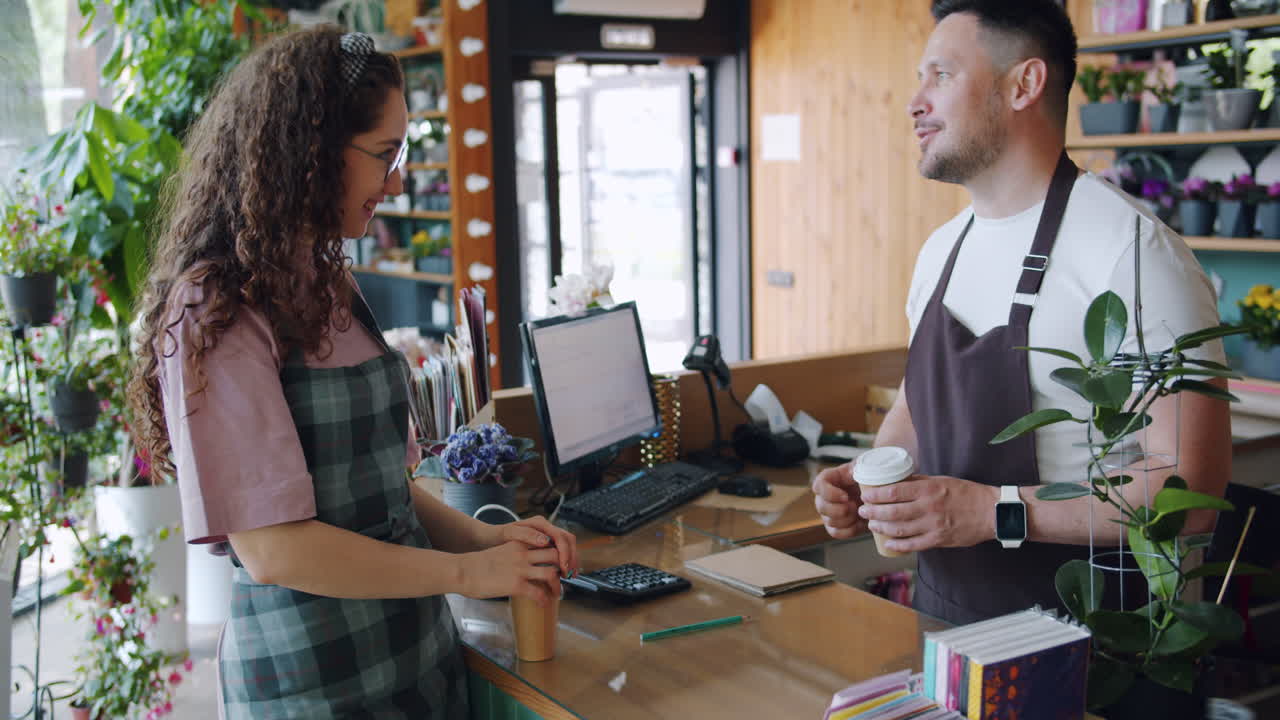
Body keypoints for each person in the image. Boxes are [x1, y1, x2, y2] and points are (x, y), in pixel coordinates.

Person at [128, 28, 579, 718]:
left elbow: (384, 498)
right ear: (309, 155)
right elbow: (275, 548)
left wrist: (494, 542)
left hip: (418, 663)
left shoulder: (328, 280)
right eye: (384, 155)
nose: (396, 182)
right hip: (312, 687)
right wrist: (466, 570)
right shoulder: (215, 309)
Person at [813, 0, 1231, 625]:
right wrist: (877, 485)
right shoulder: (940, 252)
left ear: (1024, 85)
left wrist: (992, 512)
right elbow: (915, 409)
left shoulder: (1135, 255)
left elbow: (1187, 495)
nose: (915, 102)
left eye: (942, 75)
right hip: (945, 628)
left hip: (1089, 650)